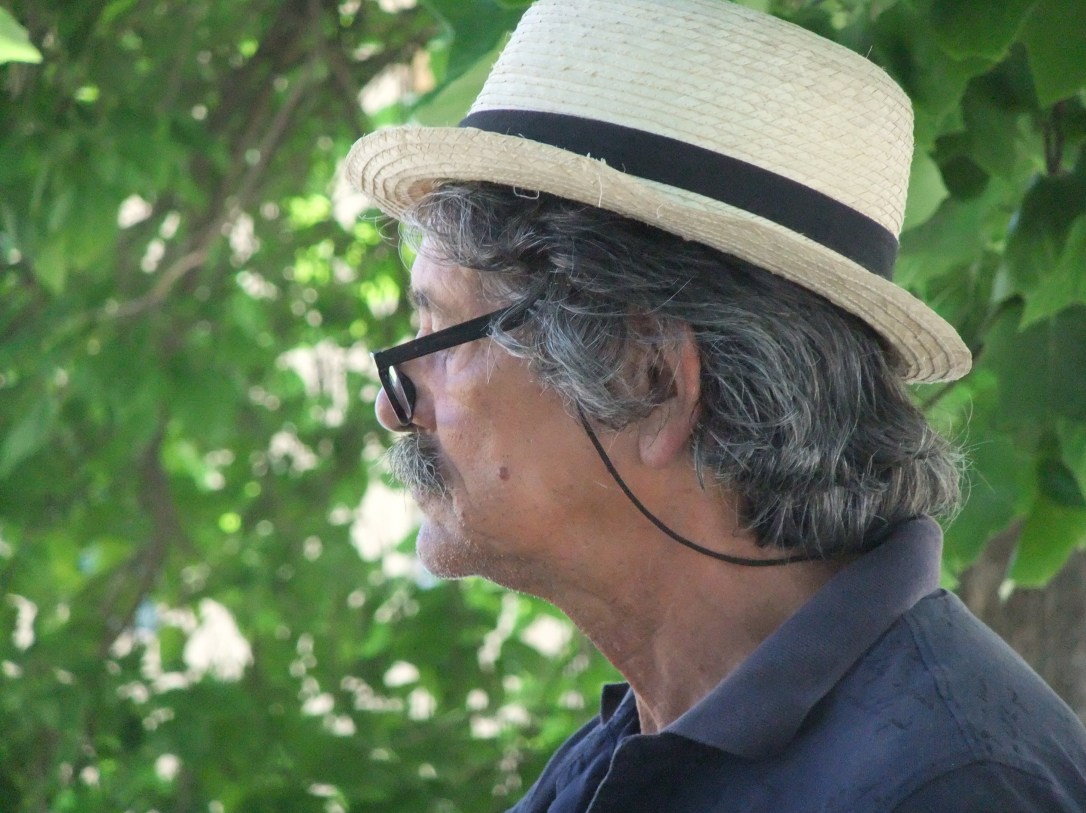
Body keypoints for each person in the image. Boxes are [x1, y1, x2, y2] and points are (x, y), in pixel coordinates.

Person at [346, 0, 1086, 810]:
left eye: (437, 337)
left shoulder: (954, 785)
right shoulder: (619, 756)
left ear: (652, 381)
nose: (396, 408)